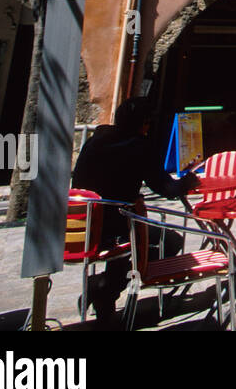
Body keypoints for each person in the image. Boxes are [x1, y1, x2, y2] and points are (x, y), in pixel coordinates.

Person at [71, 96, 201, 324]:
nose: (148, 127)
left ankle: (105, 292)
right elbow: (167, 188)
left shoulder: (95, 140)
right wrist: (189, 180)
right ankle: (106, 287)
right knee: (168, 242)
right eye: (147, 122)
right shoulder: (138, 146)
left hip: (82, 227)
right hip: (118, 228)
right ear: (141, 123)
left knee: (133, 239)